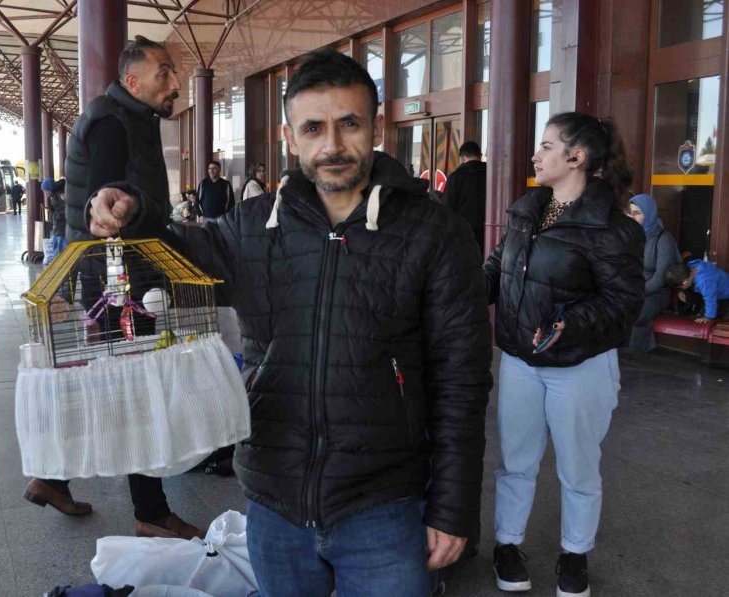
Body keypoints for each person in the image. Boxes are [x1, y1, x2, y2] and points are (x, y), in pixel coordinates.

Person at [87, 48, 492, 597]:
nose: (331, 145)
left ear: (375, 126)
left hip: (386, 501)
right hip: (276, 499)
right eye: (314, 127)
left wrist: (453, 505)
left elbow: (461, 380)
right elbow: (175, 257)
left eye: (349, 124)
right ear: (288, 135)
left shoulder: (434, 233)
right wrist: (129, 214)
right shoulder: (254, 226)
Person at [31, 35, 204, 542]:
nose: (174, 82)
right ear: (133, 81)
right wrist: (109, 214)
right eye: (164, 72)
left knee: (114, 386)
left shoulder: (123, 116)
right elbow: (104, 202)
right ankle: (150, 511)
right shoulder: (112, 121)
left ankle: (54, 476)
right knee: (136, 392)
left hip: (119, 274)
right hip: (119, 277)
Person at [485, 113, 644, 597]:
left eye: (547, 146)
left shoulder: (612, 227)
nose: (537, 154)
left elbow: (623, 303)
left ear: (577, 158)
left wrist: (569, 325)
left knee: (578, 466)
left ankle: (575, 554)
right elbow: (500, 265)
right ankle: (507, 546)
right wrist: (464, 291)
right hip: (518, 359)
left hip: (580, 368)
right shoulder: (527, 208)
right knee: (516, 460)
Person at [627, 194, 681, 352]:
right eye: (630, 212)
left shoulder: (663, 239)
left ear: (649, 213)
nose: (632, 217)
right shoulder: (632, 236)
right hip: (634, 289)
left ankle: (635, 352)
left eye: (637, 213)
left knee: (636, 312)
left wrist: (636, 291)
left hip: (656, 294)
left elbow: (660, 278)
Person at [442, 140, 487, 252]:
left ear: (462, 158)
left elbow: (447, 208)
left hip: (463, 233)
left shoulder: (455, 177)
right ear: (480, 156)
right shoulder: (490, 174)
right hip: (487, 232)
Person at [665, 260, 729, 323]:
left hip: (726, 296)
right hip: (721, 286)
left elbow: (710, 299)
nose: (681, 288)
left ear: (684, 282)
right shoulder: (694, 266)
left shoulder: (704, 282)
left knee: (723, 318)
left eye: (680, 287)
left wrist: (708, 317)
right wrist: (680, 290)